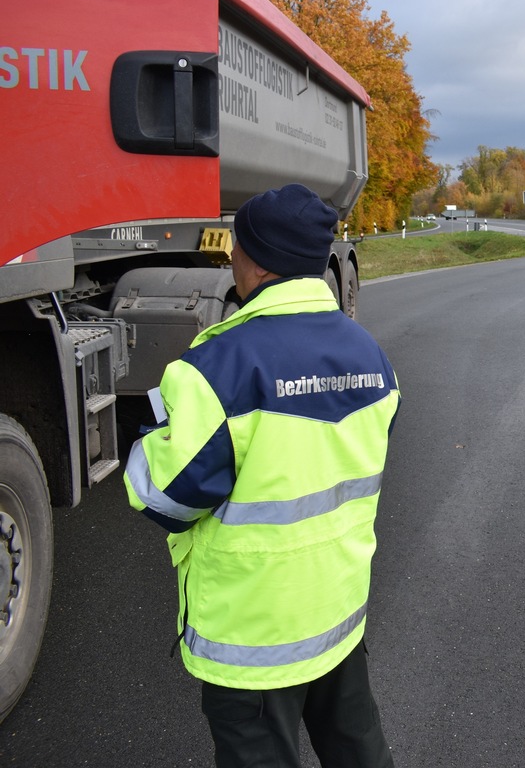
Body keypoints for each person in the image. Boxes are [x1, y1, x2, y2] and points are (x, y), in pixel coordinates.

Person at [124, 183, 401, 768]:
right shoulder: (370, 355)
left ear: (254, 260)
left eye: (238, 249)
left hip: (255, 638)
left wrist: (150, 440)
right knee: (359, 751)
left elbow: (167, 498)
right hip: (336, 616)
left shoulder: (216, 364)